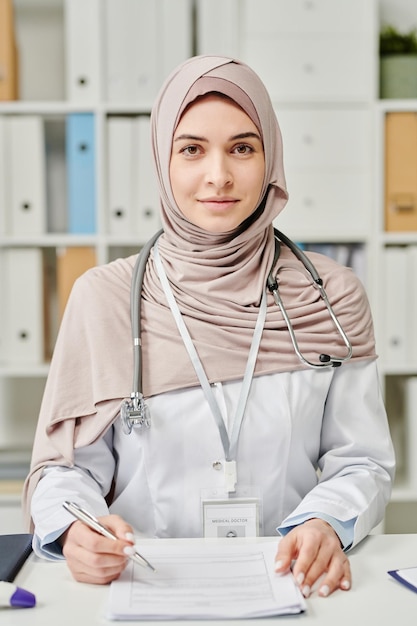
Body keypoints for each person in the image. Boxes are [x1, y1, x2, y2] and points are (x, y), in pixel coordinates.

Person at [23, 55, 395, 598]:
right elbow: (68, 469)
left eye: (242, 148)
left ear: (270, 159)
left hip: (286, 582)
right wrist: (78, 527)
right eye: (191, 149)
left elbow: (361, 460)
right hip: (141, 582)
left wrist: (324, 523)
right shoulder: (104, 299)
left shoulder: (329, 298)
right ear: (162, 161)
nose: (218, 175)